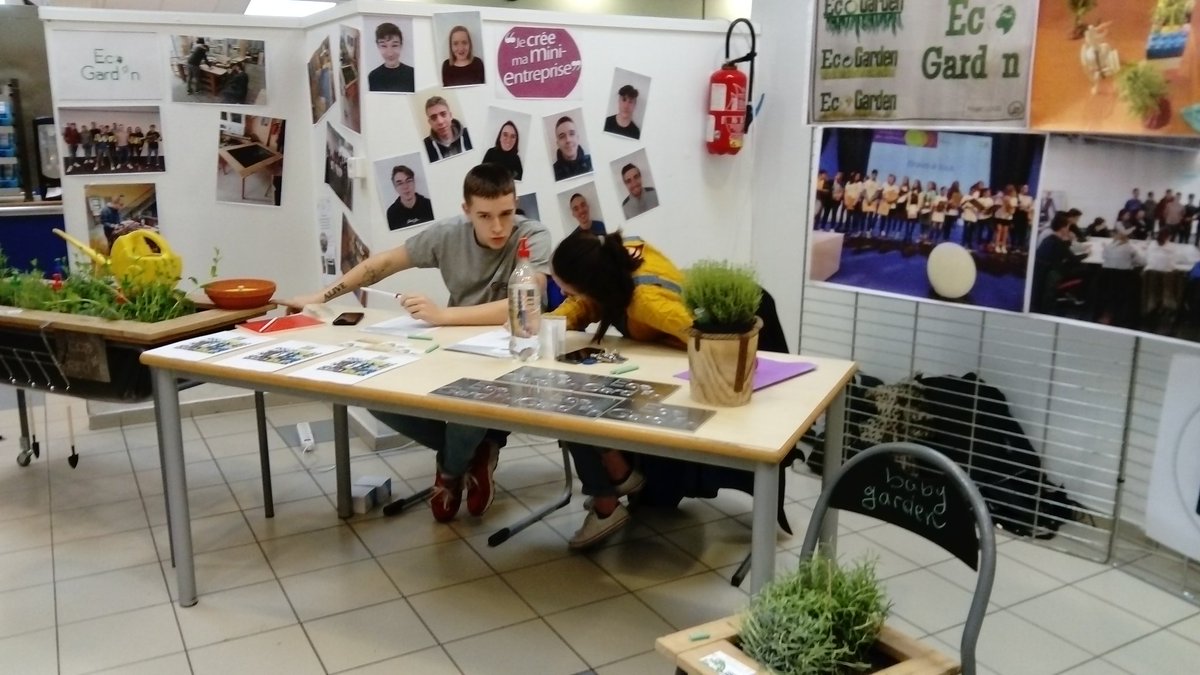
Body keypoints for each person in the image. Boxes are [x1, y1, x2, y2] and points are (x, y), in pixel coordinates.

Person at [283, 164, 552, 522]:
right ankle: (476, 454)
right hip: (455, 350)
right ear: (466, 210)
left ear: (515, 204)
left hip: (512, 356)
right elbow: (383, 263)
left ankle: (451, 472)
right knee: (372, 395)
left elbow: (523, 302)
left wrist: (442, 316)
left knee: (467, 409)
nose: (498, 227)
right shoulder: (448, 234)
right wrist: (320, 296)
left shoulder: (533, 235)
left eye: (506, 213)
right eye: (485, 216)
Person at [546, 230, 693, 547]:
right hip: (647, 363)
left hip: (675, 378)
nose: (559, 290)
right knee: (571, 392)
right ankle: (619, 476)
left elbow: (704, 338)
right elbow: (586, 304)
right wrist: (550, 323)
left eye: (564, 286)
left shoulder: (648, 301)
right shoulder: (607, 259)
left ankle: (607, 502)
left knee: (571, 406)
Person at [368, 22, 415, 93]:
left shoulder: (413, 74)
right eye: (383, 46)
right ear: (378, 46)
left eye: (394, 45)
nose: (390, 53)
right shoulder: (373, 76)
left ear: (401, 45)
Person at [423, 96, 473, 162]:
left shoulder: (469, 134)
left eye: (443, 114)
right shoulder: (425, 147)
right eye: (433, 117)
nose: (440, 121)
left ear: (450, 116)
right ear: (430, 122)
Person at [385, 165, 434, 230]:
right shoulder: (392, 213)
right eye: (400, 183)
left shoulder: (429, 204)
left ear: (414, 182)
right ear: (395, 187)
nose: (405, 187)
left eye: (408, 181)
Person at [551, 116, 592, 181]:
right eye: (562, 136)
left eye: (572, 134)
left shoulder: (592, 162)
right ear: (558, 144)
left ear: (578, 138)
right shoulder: (552, 173)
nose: (568, 140)